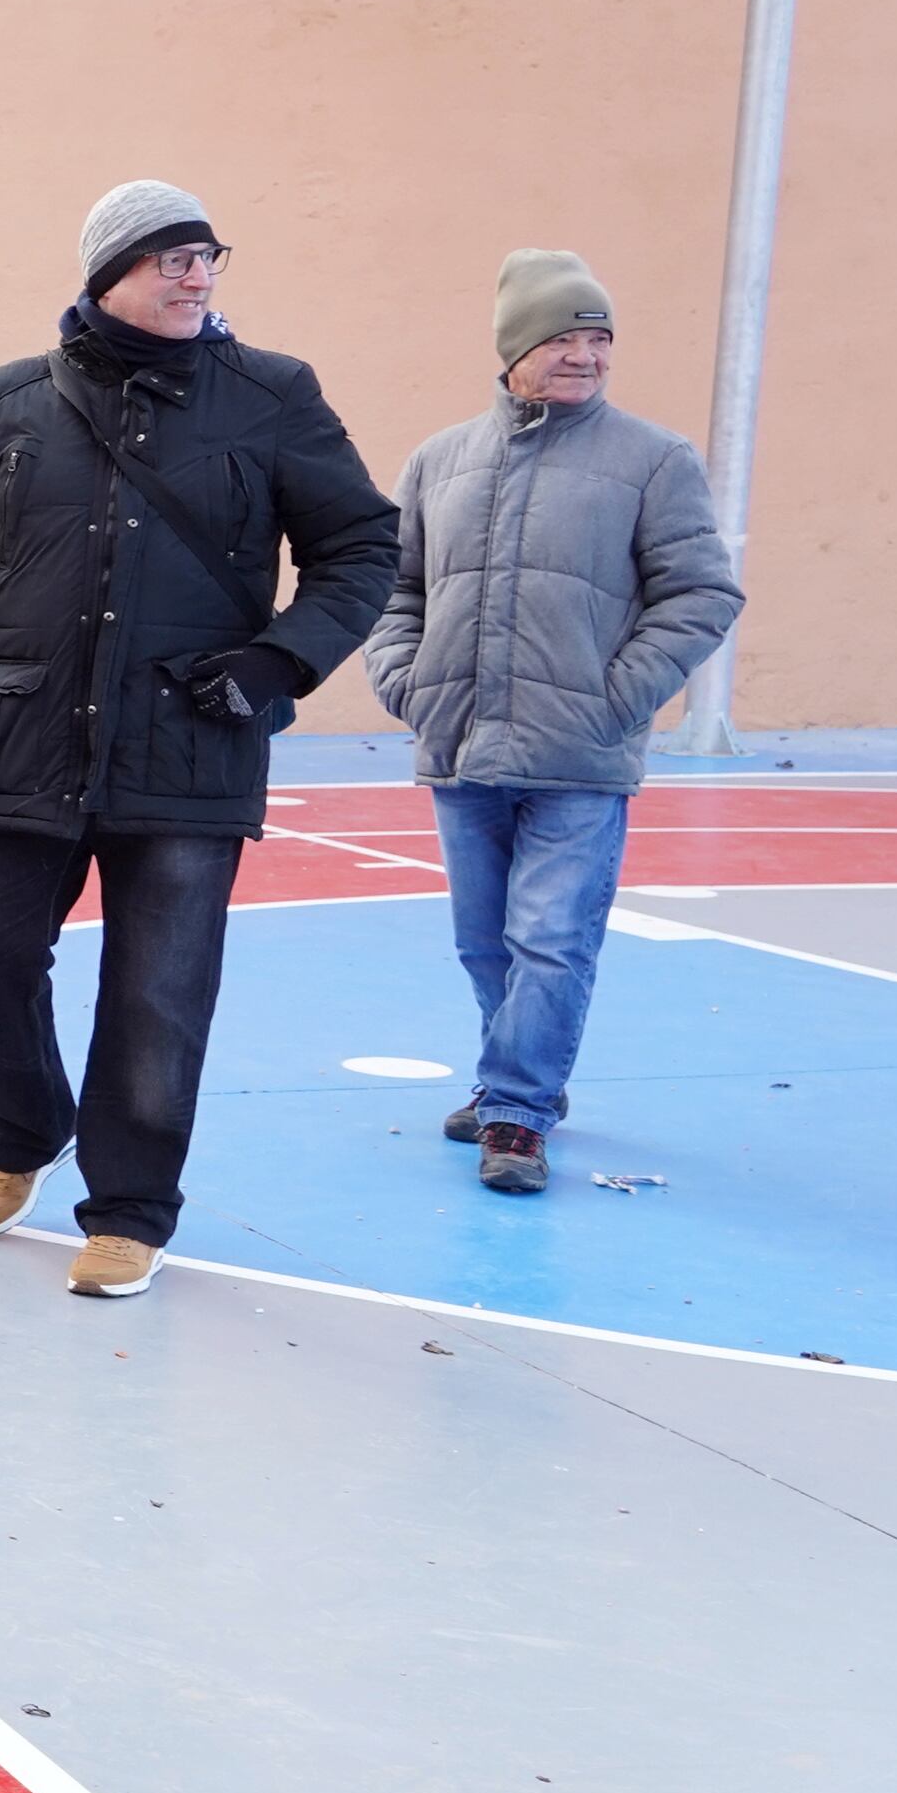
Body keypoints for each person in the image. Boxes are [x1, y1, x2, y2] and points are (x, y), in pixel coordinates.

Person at [0, 179, 398, 1299]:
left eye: (206, 256)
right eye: (169, 257)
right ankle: (26, 1122)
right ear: (107, 271)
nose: (195, 274)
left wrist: (279, 659)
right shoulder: (7, 401)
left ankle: (127, 1211)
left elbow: (361, 547)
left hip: (193, 743)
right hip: (22, 736)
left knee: (156, 993)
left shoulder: (270, 395)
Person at [357, 251, 740, 1194]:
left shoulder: (655, 461)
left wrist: (617, 699)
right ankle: (509, 1083)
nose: (585, 356)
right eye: (563, 337)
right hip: (462, 746)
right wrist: (410, 683)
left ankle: (519, 1111)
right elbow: (392, 589)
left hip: (582, 758)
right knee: (484, 941)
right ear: (515, 348)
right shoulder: (440, 461)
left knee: (552, 939)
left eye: (599, 339)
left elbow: (701, 594)